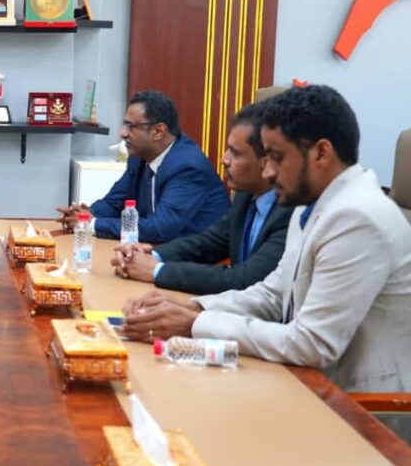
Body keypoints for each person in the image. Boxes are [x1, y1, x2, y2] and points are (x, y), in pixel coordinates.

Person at [121, 85, 411, 392]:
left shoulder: (357, 217)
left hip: (364, 406)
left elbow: (313, 343)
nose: (268, 172)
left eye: (277, 158)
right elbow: (272, 295)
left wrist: (193, 324)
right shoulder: (313, 203)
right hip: (308, 382)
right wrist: (193, 308)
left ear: (321, 153)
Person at [111, 103, 295, 294]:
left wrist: (156, 270)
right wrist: (152, 255)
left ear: (267, 161)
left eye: (235, 153)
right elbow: (209, 242)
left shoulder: (289, 211)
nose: (224, 159)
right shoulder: (246, 195)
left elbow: (246, 280)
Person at [58, 90, 229, 243]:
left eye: (131, 126)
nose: (122, 133)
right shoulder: (139, 157)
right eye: (124, 125)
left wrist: (92, 224)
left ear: (158, 132)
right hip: (158, 250)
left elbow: (160, 229)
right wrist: (85, 215)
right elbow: (114, 203)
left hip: (200, 259)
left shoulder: (187, 167)